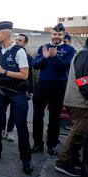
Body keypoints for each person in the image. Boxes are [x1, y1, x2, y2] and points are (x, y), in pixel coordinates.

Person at [0, 21, 33, 175]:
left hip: (17, 93)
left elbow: (24, 75)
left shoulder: (19, 51)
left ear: (5, 34)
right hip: (1, 92)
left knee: (21, 126)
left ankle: (26, 161)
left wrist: (4, 71)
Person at [31, 23, 76, 156]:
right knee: (37, 115)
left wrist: (55, 57)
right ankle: (38, 143)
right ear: (51, 35)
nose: (56, 37)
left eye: (59, 34)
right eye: (54, 34)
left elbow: (65, 67)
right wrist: (44, 58)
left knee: (54, 117)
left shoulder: (69, 49)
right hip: (42, 85)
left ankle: (52, 144)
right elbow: (35, 65)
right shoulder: (43, 48)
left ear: (63, 35)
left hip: (59, 86)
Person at [55, 35, 88, 177]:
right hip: (81, 102)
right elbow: (83, 81)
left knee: (80, 133)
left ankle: (73, 160)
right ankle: (63, 162)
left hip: (80, 100)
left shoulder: (86, 52)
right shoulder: (86, 54)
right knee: (78, 133)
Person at [2, 34, 34, 142]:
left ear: (24, 43)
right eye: (15, 39)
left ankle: (9, 131)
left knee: (13, 112)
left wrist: (30, 90)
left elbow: (29, 76)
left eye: (19, 40)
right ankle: (2, 129)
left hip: (19, 89)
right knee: (1, 110)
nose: (16, 41)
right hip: (5, 87)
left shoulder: (28, 58)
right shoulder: (7, 53)